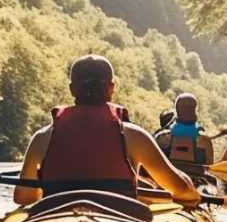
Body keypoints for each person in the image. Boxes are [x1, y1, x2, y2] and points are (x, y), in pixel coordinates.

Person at [13, 55, 201, 207]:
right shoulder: (134, 136)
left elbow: (23, 197)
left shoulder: (42, 137)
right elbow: (182, 190)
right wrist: (192, 191)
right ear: (111, 88)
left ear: (72, 89)